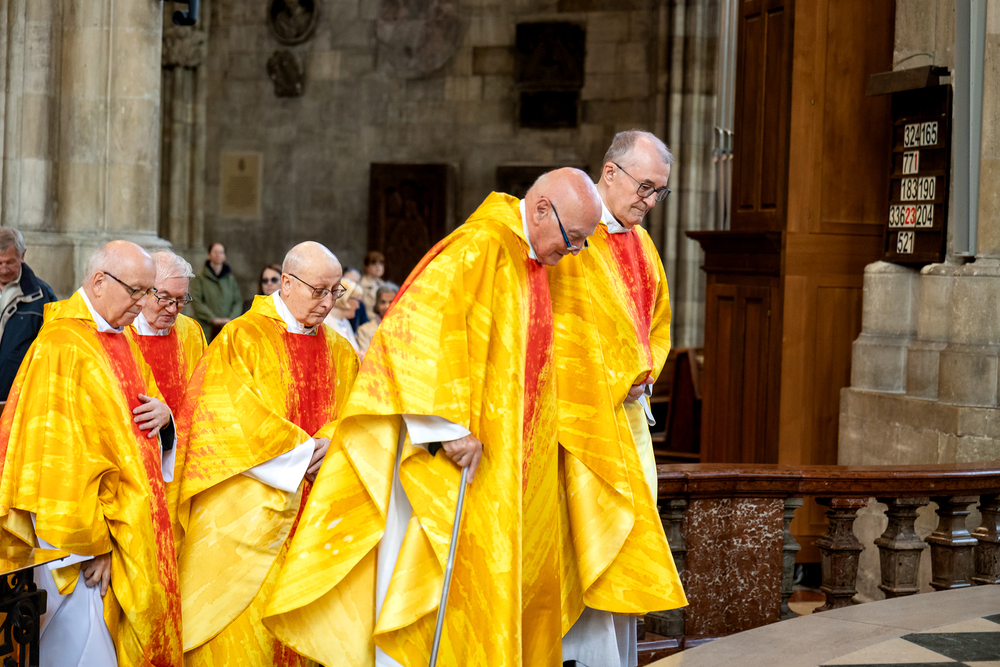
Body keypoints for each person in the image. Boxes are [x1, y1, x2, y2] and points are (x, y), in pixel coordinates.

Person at [262, 168, 601, 667]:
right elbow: (413, 333)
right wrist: (448, 428)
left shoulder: (530, 258)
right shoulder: (479, 246)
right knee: (433, 594)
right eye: (572, 239)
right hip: (452, 460)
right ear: (542, 209)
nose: (574, 251)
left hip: (510, 466)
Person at [176, 241, 360, 667]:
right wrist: (303, 452)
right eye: (319, 291)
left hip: (318, 519)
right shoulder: (242, 338)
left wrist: (334, 441)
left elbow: (357, 416)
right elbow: (223, 418)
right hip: (248, 519)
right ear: (288, 283)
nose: (328, 302)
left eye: (335, 292)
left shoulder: (341, 350)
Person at [0, 240, 181, 667]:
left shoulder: (119, 337)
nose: (144, 303)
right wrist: (93, 545)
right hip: (79, 545)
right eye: (137, 291)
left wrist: (166, 419)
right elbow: (54, 458)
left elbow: (134, 427)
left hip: (125, 530)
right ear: (99, 281)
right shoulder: (63, 345)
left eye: (148, 292)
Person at [550, 130, 687, 666]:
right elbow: (554, 334)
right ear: (610, 173)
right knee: (584, 547)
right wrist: (613, 376)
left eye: (659, 192)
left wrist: (643, 373)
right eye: (645, 187)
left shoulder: (644, 247)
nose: (650, 201)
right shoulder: (571, 240)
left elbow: (657, 327)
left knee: (623, 548)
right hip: (578, 428)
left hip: (628, 424)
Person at [128, 250, 207, 550]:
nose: (173, 309)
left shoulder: (191, 333)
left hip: (181, 472)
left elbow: (207, 400)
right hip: (133, 476)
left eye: (181, 300)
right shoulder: (121, 333)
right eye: (164, 298)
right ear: (144, 289)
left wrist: (170, 418)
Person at [0, 227, 55, 405]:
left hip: (18, 399)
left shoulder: (43, 297)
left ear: (22, 255)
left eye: (10, 262)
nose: (3, 269)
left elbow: (52, 349)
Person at [190, 242, 242, 341]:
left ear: (224, 256)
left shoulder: (231, 280)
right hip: (207, 330)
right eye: (215, 252)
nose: (218, 255)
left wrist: (231, 318)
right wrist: (212, 318)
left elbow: (238, 301)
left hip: (227, 329)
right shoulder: (200, 279)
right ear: (209, 255)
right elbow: (196, 301)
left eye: (221, 252)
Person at [355, 283, 398, 357]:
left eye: (391, 302)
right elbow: (366, 359)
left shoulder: (405, 329)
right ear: (377, 305)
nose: (387, 306)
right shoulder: (364, 330)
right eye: (383, 302)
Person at [323, 277, 363, 355]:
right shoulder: (325, 322)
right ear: (347, 298)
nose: (358, 306)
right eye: (358, 301)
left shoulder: (345, 322)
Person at [343, 267, 370, 331]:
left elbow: (365, 326)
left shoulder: (360, 305)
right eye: (348, 283)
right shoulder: (333, 305)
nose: (352, 287)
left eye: (356, 283)